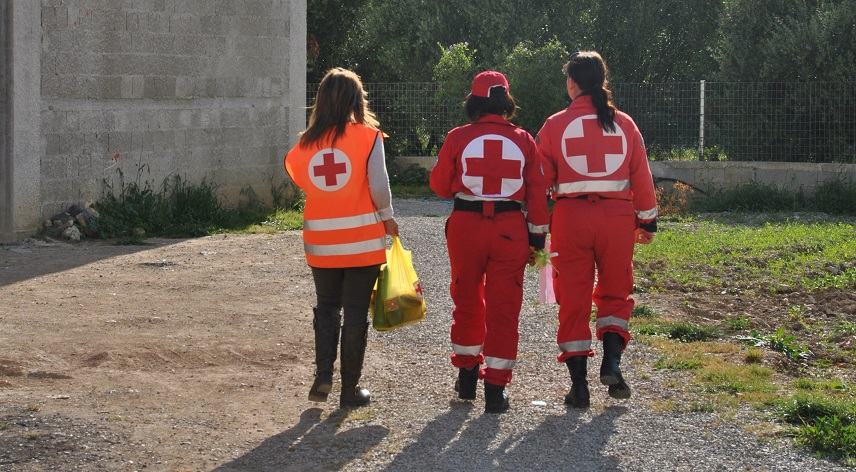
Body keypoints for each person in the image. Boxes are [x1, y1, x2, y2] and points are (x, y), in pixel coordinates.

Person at [536, 52, 658, 408]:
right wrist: (647, 219)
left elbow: (540, 179)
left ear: (573, 83)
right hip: (617, 220)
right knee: (615, 291)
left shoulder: (555, 125)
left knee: (572, 298)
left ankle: (579, 387)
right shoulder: (624, 123)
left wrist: (536, 224)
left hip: (571, 219)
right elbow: (641, 175)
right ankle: (612, 363)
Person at [430, 71, 549, 414]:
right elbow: (538, 196)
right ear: (506, 102)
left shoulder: (458, 137)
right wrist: (537, 241)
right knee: (504, 308)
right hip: (510, 228)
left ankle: (466, 375)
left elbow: (439, 186)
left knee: (466, 297)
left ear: (474, 102)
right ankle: (496, 389)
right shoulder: (525, 139)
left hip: (466, 225)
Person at [284, 67, 398, 409]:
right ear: (355, 99)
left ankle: (322, 376)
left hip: (321, 242)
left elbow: (298, 176)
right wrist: (388, 218)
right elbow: (378, 186)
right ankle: (350, 391)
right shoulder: (368, 137)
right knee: (355, 311)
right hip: (363, 242)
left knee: (327, 307)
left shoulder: (304, 144)